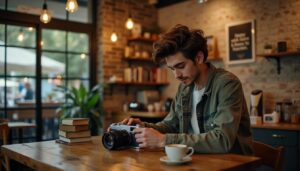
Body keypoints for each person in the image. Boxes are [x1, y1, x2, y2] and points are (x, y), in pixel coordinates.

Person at [121, 24, 253, 155]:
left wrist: (163, 140)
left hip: (233, 164)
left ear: (199, 58)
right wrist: (143, 127)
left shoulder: (227, 84)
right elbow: (171, 125)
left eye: (181, 66)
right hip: (201, 162)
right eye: (172, 68)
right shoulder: (184, 89)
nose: (176, 75)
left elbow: (222, 140)